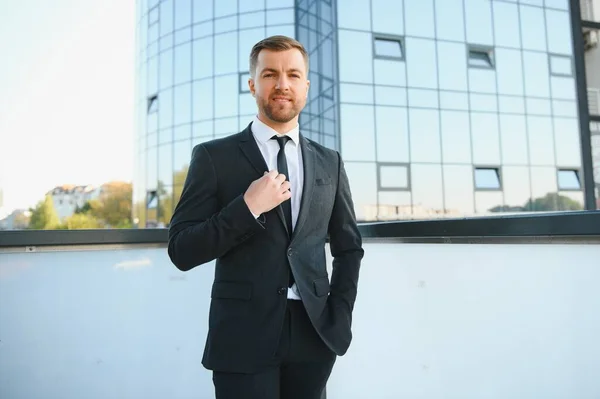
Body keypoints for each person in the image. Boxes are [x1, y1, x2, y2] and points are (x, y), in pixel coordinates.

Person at [167, 35, 364, 399]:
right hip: (242, 338)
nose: (282, 84)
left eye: (293, 74)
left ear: (306, 85)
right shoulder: (213, 157)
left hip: (314, 335)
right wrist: (248, 207)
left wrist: (339, 316)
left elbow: (349, 248)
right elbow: (181, 250)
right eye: (270, 74)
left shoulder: (330, 161)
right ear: (252, 84)